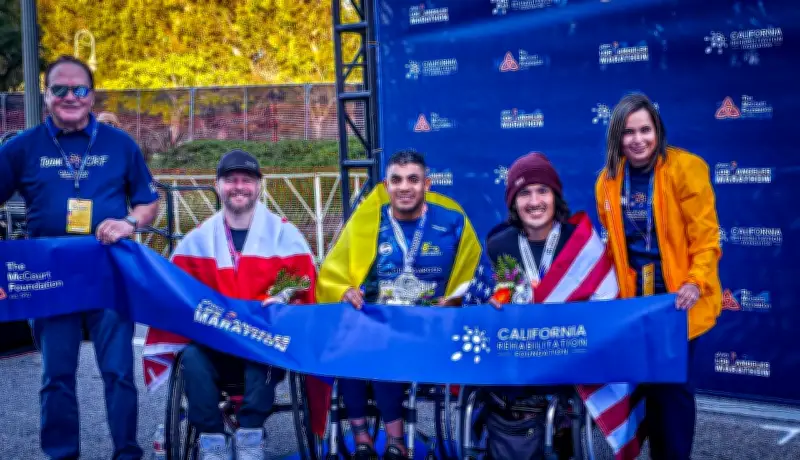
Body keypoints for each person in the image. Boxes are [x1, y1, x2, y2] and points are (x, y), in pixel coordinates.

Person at [0, 55, 159, 459]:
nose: (70, 96)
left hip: (108, 272)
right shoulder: (21, 147)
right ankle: (61, 455)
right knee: (56, 376)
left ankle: (127, 453)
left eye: (80, 89)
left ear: (92, 95)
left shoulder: (120, 144)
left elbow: (147, 203)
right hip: (48, 278)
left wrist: (128, 222)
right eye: (60, 89)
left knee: (119, 373)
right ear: (46, 94)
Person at [143, 149, 318, 460]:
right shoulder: (198, 239)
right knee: (192, 356)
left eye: (247, 180)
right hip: (216, 343)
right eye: (231, 180)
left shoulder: (283, 233)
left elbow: (301, 278)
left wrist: (280, 295)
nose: (239, 186)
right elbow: (174, 290)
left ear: (259, 186)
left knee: (268, 351)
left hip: (263, 342)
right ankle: (212, 440)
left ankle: (250, 434)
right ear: (218, 185)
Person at [316, 150, 481, 460]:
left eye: (413, 180)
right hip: (378, 324)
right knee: (351, 337)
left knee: (377, 342)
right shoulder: (368, 220)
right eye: (397, 180)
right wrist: (344, 290)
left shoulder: (453, 221)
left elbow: (472, 276)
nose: (405, 187)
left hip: (432, 330)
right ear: (386, 185)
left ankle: (395, 440)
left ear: (427, 184)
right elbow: (334, 274)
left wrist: (457, 299)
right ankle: (362, 438)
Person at [594, 92, 722, 459]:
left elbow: (706, 236)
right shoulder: (607, 181)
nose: (638, 140)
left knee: (672, 388)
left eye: (645, 130)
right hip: (636, 305)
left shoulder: (685, 168)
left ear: (658, 130)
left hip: (678, 300)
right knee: (647, 386)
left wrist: (695, 282)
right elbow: (616, 246)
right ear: (616, 137)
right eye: (628, 132)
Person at [476, 152, 621, 459]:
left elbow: (605, 303)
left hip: (568, 359)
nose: (534, 201)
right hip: (516, 361)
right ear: (513, 202)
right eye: (524, 193)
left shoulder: (581, 243)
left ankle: (562, 434)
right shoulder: (498, 244)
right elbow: (488, 297)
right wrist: (492, 303)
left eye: (542, 191)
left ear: (556, 196)